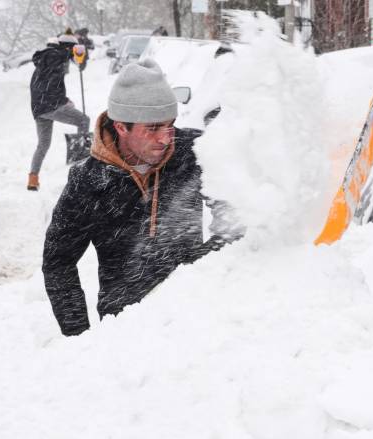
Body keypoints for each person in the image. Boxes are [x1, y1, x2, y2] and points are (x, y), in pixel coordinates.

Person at [43, 59, 236, 336]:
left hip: (194, 317)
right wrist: (79, 337)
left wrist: (210, 262)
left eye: (170, 125)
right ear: (121, 127)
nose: (166, 139)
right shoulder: (89, 182)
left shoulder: (193, 153)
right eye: (153, 129)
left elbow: (235, 209)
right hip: (126, 329)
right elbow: (58, 262)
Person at [28, 34, 90, 190]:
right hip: (51, 105)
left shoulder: (46, 58)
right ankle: (80, 162)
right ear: (67, 47)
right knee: (83, 120)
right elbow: (51, 84)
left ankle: (33, 179)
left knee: (43, 145)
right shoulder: (56, 56)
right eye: (72, 49)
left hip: (39, 108)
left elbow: (46, 85)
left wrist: (64, 99)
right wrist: (62, 102)